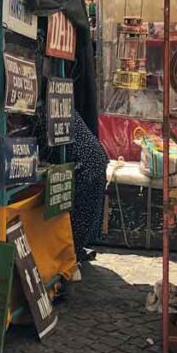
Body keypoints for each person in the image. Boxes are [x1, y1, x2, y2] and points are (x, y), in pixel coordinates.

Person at [69, 110, 107, 269]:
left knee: (80, 214)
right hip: (93, 162)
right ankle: (73, 255)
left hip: (88, 165)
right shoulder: (63, 108)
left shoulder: (46, 113)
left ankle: (72, 256)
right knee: (85, 213)